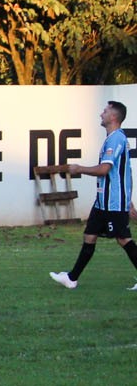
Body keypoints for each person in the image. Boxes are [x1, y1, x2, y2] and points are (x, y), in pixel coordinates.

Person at [44, 100, 136, 290]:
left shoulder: (116, 139)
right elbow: (125, 172)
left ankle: (72, 278)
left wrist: (79, 168)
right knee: (89, 236)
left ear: (113, 117)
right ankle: (71, 278)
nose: (101, 114)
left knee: (123, 239)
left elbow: (104, 169)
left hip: (113, 202)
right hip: (103, 202)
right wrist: (130, 200)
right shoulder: (112, 138)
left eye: (105, 111)